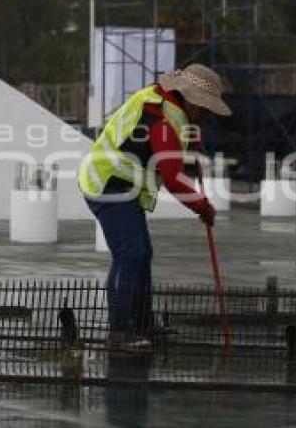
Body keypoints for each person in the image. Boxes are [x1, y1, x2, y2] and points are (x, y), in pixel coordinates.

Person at [78, 64, 232, 348]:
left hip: (122, 183)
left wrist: (185, 147)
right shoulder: (163, 119)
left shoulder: (161, 102)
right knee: (130, 252)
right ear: (191, 100)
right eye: (205, 109)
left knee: (141, 252)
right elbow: (173, 179)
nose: (207, 116)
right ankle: (121, 331)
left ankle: (143, 324)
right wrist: (203, 207)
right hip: (107, 182)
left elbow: (162, 151)